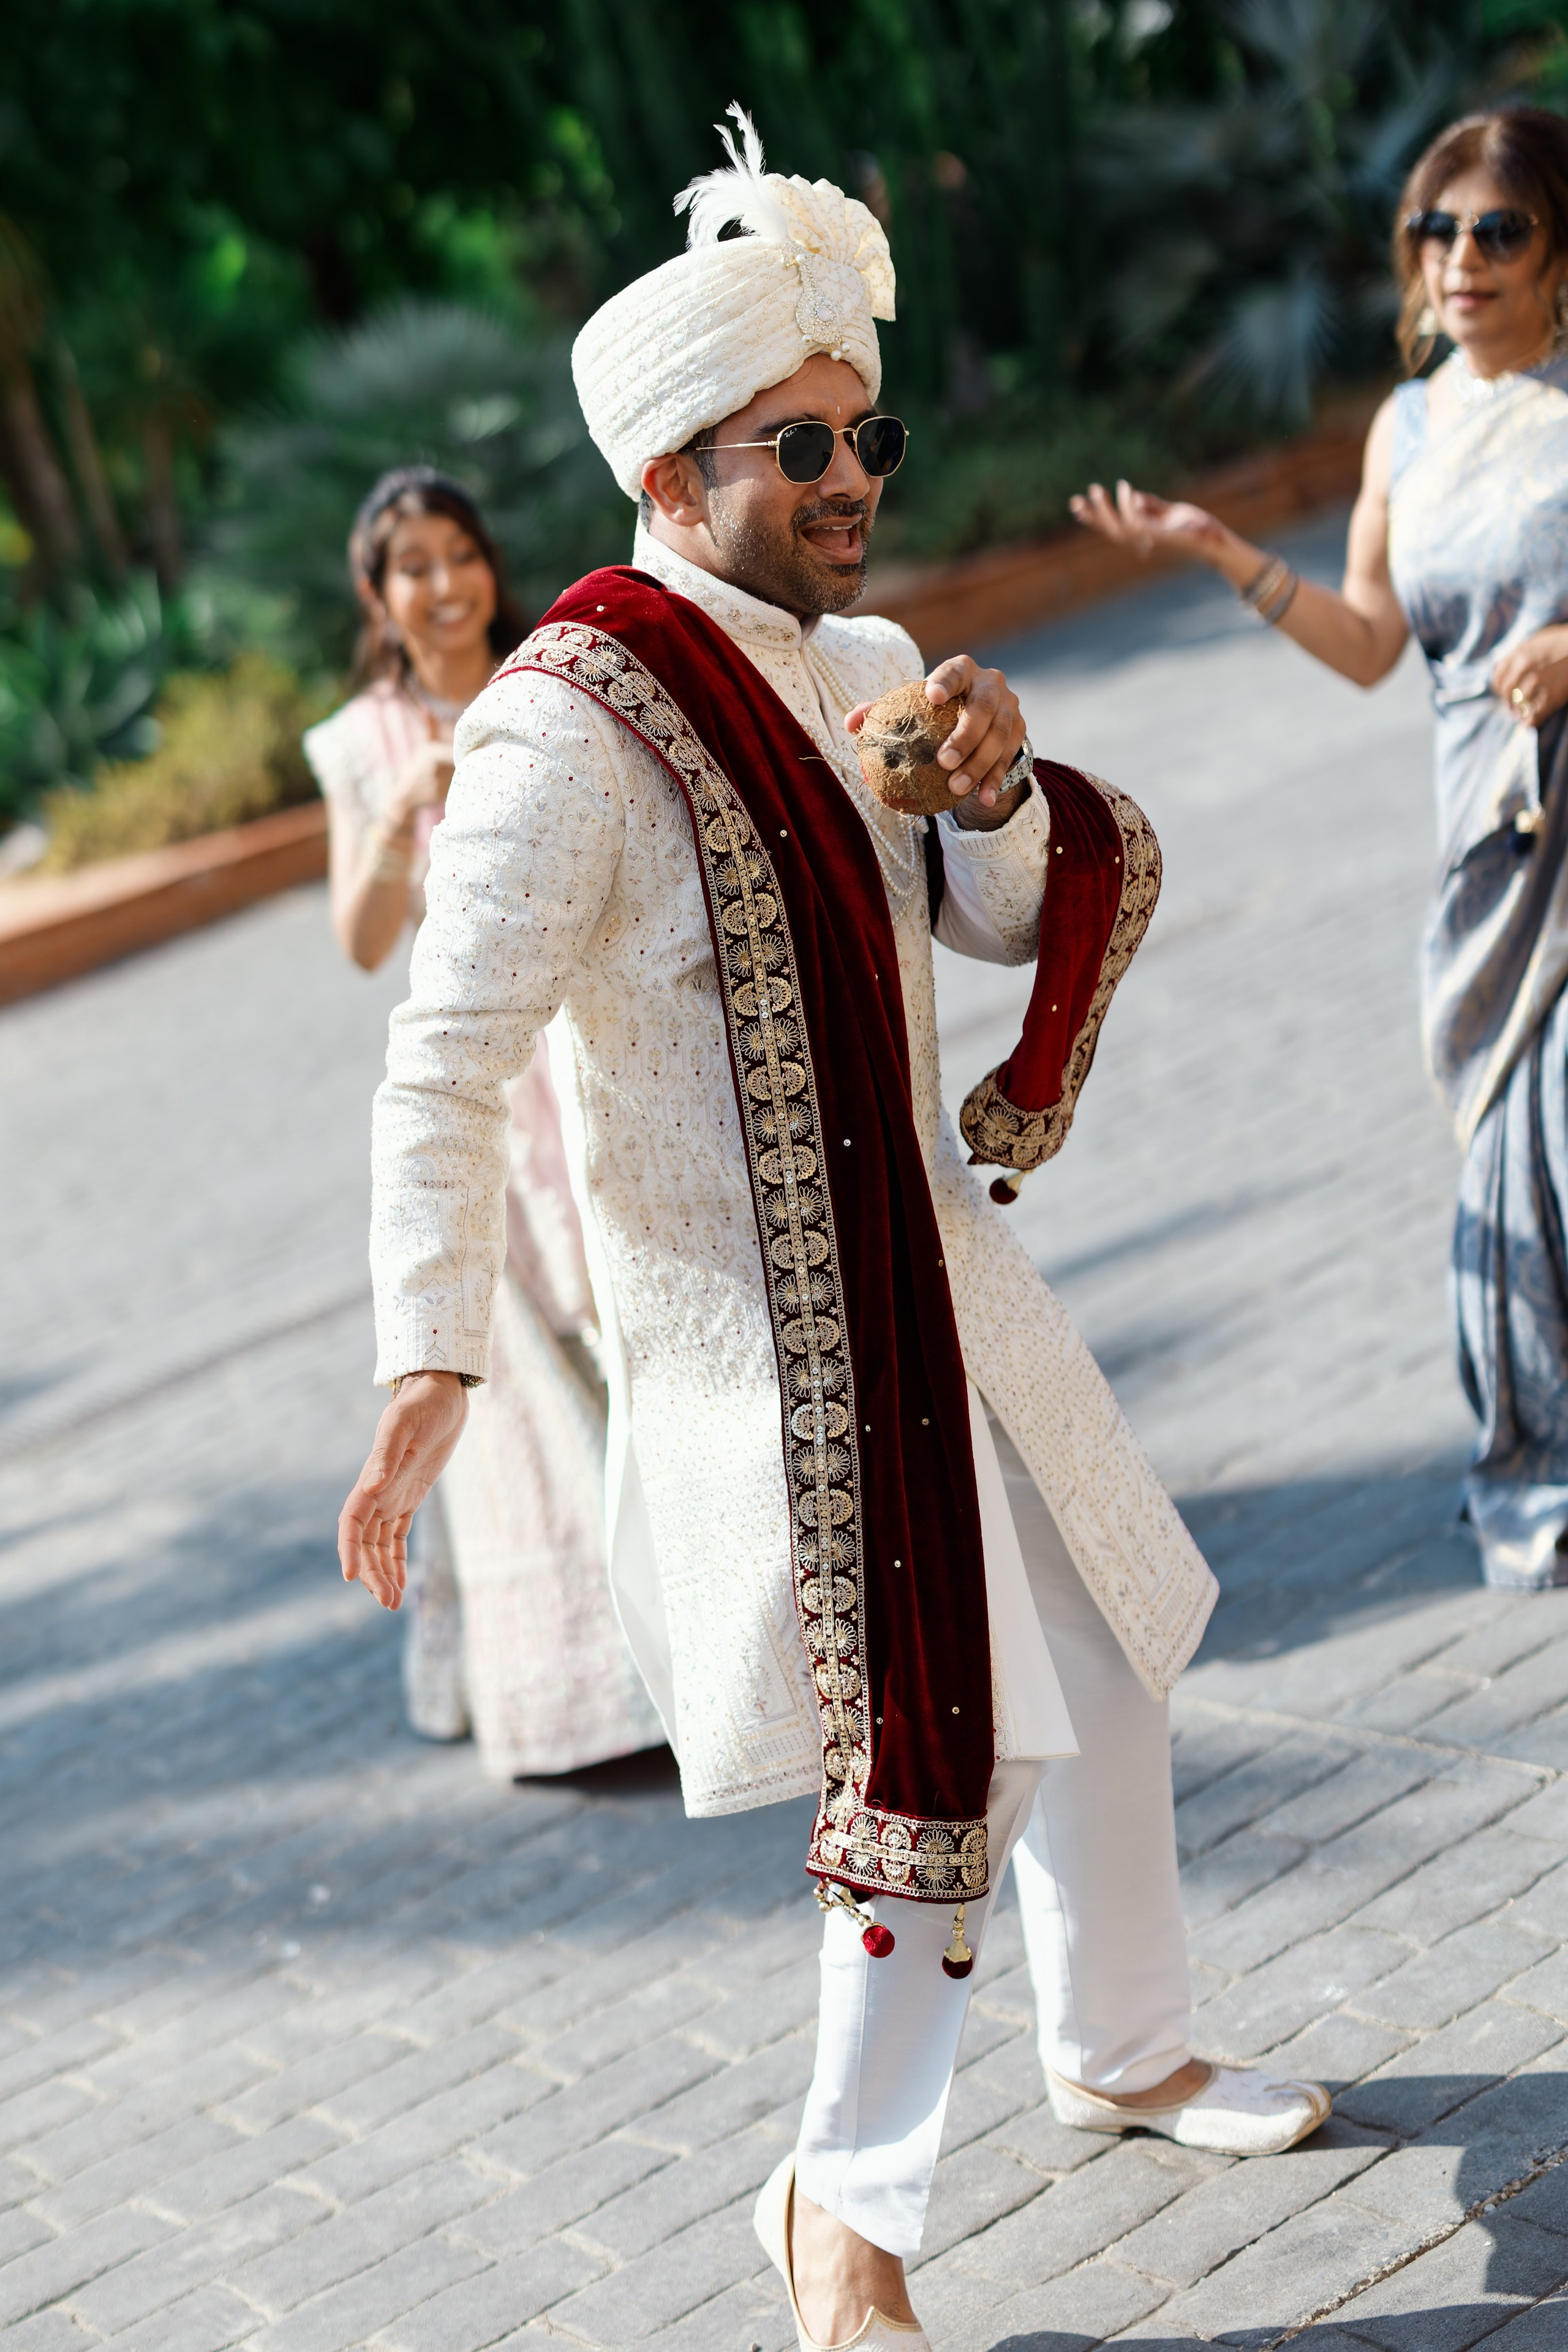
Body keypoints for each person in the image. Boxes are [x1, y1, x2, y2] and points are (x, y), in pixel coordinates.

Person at [337, 113, 1329, 2352]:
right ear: (672, 470)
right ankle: (841, 2216)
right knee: (939, 1750)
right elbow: (444, 1059)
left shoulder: (861, 646)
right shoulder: (566, 725)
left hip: (941, 1286)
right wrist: (428, 1357)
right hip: (773, 1345)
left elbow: (982, 922)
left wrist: (998, 792)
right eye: (803, 447)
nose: (855, 476)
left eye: (867, 434)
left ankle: (1125, 2044)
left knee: (1105, 1647)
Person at [1074, 106, 1568, 1594]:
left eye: (1496, 230)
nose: (1458, 258)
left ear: (1556, 254)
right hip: (1486, 838)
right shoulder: (1403, 428)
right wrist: (1220, 551)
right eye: (1434, 229)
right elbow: (1365, 645)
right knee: (1511, 1159)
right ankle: (1538, 1461)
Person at [307, 466, 662, 1774]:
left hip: (595, 1051)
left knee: (637, 1326)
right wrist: (404, 803)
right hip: (483, 1089)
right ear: (376, 594)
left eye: (461, 555)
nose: (446, 585)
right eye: (415, 567)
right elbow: (360, 943)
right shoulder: (360, 743)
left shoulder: (549, 675)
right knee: (522, 1391)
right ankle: (590, 1683)